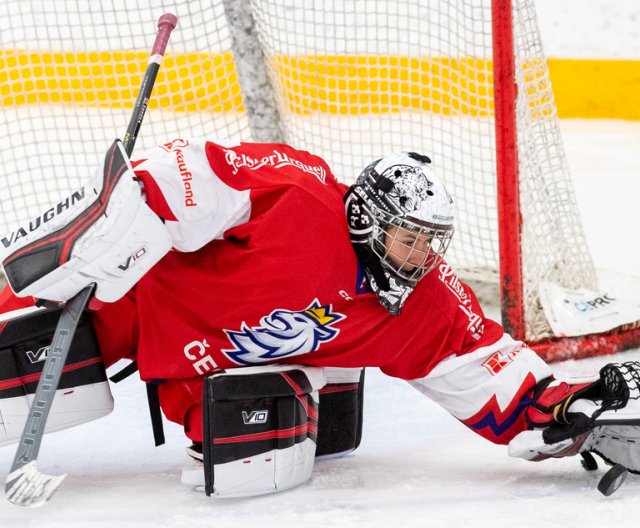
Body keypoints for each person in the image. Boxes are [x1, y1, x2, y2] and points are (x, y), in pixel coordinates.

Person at [1, 138, 640, 497]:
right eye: (406, 238)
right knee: (14, 357)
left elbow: (488, 375)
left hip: (208, 368)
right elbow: (187, 174)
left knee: (260, 456)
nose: (419, 258)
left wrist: (561, 409)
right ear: (366, 219)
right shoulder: (299, 195)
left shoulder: (422, 303)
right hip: (135, 301)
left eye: (430, 242)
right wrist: (121, 219)